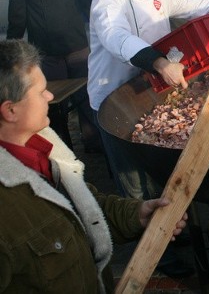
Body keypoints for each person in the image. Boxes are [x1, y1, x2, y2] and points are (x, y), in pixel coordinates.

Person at [0, 39, 188, 293]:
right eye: (40, 91)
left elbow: (83, 207)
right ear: (10, 111)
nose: (50, 96)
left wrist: (137, 214)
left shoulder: (44, 151)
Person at [89, 0, 209, 201]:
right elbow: (117, 38)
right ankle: (140, 226)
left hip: (154, 87)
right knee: (133, 174)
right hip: (114, 93)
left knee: (162, 158)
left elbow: (200, 5)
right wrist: (161, 63)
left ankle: (174, 220)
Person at [7, 0, 103, 155]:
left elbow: (89, 3)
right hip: (47, 55)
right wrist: (11, 52)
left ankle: (94, 144)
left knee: (87, 100)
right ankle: (62, 149)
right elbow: (17, 16)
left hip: (77, 48)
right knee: (54, 106)